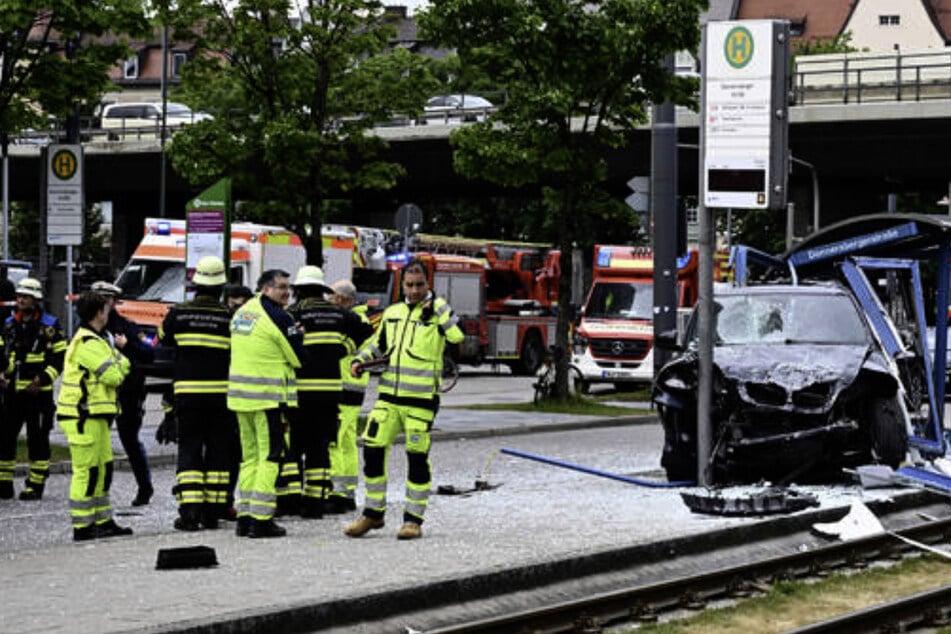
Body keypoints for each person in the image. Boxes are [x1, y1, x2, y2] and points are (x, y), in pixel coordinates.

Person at [344, 257, 464, 540]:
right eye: (409, 285)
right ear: (402, 284)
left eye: (419, 285)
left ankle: (413, 520)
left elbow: (458, 337)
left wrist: (440, 308)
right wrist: (361, 359)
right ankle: (373, 514)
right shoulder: (394, 312)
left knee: (417, 458)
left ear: (428, 284)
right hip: (388, 398)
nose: (413, 290)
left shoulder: (437, 312)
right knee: (372, 452)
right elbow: (379, 344)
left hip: (421, 400)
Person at [287, 266, 373, 519]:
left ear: (299, 290)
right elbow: (367, 333)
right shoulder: (338, 314)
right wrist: (342, 348)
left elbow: (285, 342)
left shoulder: (293, 313)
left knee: (297, 445)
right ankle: (319, 499)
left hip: (303, 391)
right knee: (323, 445)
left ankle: (295, 498)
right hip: (332, 390)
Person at [228, 269, 305, 538]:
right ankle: (261, 519)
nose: (286, 292)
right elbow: (299, 357)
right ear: (266, 288)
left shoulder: (243, 312)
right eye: (281, 287)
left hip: (240, 397)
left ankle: (245, 515)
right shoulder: (280, 317)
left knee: (248, 458)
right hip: (267, 398)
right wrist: (299, 335)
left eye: (288, 287)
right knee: (270, 457)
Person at [160, 256, 233, 531]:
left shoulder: (178, 314)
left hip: (187, 395)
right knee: (218, 452)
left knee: (189, 450)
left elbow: (163, 346)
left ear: (195, 284)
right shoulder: (229, 317)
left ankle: (189, 512)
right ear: (221, 287)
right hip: (221, 397)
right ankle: (213, 513)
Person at [57, 291, 133, 541]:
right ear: (99, 313)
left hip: (96, 414)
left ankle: (102, 519)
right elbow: (114, 374)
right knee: (86, 470)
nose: (109, 312)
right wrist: (119, 363)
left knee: (103, 468)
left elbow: (120, 365)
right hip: (81, 416)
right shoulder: (87, 343)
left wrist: (118, 363)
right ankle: (83, 526)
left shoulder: (97, 339)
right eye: (106, 308)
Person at [0, 278, 66, 500]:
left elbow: (60, 359)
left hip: (38, 394)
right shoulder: (9, 324)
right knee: (5, 438)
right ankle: (4, 483)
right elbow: (5, 354)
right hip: (12, 392)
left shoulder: (49, 326)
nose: (20, 300)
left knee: (37, 439)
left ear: (36, 300)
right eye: (19, 296)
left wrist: (43, 379)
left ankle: (35, 485)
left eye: (26, 297)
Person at [91, 281, 156, 506]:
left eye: (105, 298)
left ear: (112, 301)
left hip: (128, 391)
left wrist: (127, 345)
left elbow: (149, 353)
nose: (101, 303)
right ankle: (101, 491)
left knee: (129, 439)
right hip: (98, 394)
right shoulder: (90, 328)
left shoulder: (125, 326)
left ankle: (144, 488)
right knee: (99, 443)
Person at [327, 278, 373, 513]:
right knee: (346, 443)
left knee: (334, 441)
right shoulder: (363, 320)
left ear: (343, 299)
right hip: (354, 390)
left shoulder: (349, 322)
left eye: (332, 297)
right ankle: (346, 492)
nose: (329, 302)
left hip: (342, 388)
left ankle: (336, 491)